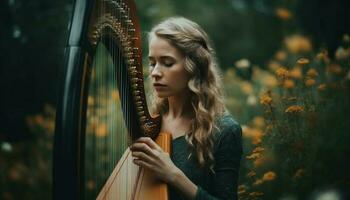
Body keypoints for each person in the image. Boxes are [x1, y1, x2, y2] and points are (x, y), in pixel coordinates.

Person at [130, 17, 242, 200]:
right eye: (152, 63)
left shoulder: (225, 130)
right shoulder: (148, 124)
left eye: (167, 63)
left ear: (193, 66)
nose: (155, 72)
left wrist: (174, 176)